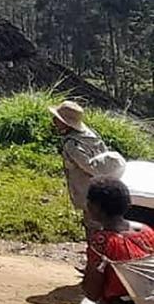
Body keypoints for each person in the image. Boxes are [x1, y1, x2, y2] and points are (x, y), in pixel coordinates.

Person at [51, 100, 124, 234]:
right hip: (104, 188)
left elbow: (90, 167)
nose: (54, 121)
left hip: (89, 192)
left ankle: (97, 252)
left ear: (65, 123)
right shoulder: (90, 134)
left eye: (57, 119)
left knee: (93, 227)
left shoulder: (72, 145)